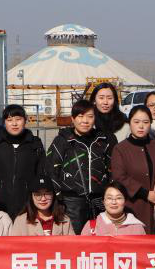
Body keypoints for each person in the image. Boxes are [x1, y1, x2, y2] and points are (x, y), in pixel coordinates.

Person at [48, 98, 116, 229]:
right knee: (76, 238)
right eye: (80, 116)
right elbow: (51, 169)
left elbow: (112, 168)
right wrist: (59, 197)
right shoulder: (62, 140)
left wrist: (107, 193)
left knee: (100, 235)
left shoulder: (102, 140)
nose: (85, 121)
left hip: (99, 200)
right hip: (72, 202)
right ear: (73, 119)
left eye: (90, 116)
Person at [0, 104, 45, 218]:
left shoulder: (35, 144)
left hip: (27, 203)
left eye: (18, 119)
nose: (14, 124)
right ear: (4, 122)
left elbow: (41, 173)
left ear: (25, 120)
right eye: (9, 120)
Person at [110, 105, 155, 226]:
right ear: (129, 123)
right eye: (136, 122)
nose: (141, 126)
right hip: (133, 206)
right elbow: (119, 177)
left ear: (150, 124)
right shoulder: (120, 149)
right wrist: (145, 193)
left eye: (145, 122)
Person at [82, 181, 147, 236]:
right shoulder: (91, 226)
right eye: (109, 198)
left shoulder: (137, 228)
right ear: (103, 202)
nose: (114, 202)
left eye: (118, 198)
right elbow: (81, 247)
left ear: (125, 201)